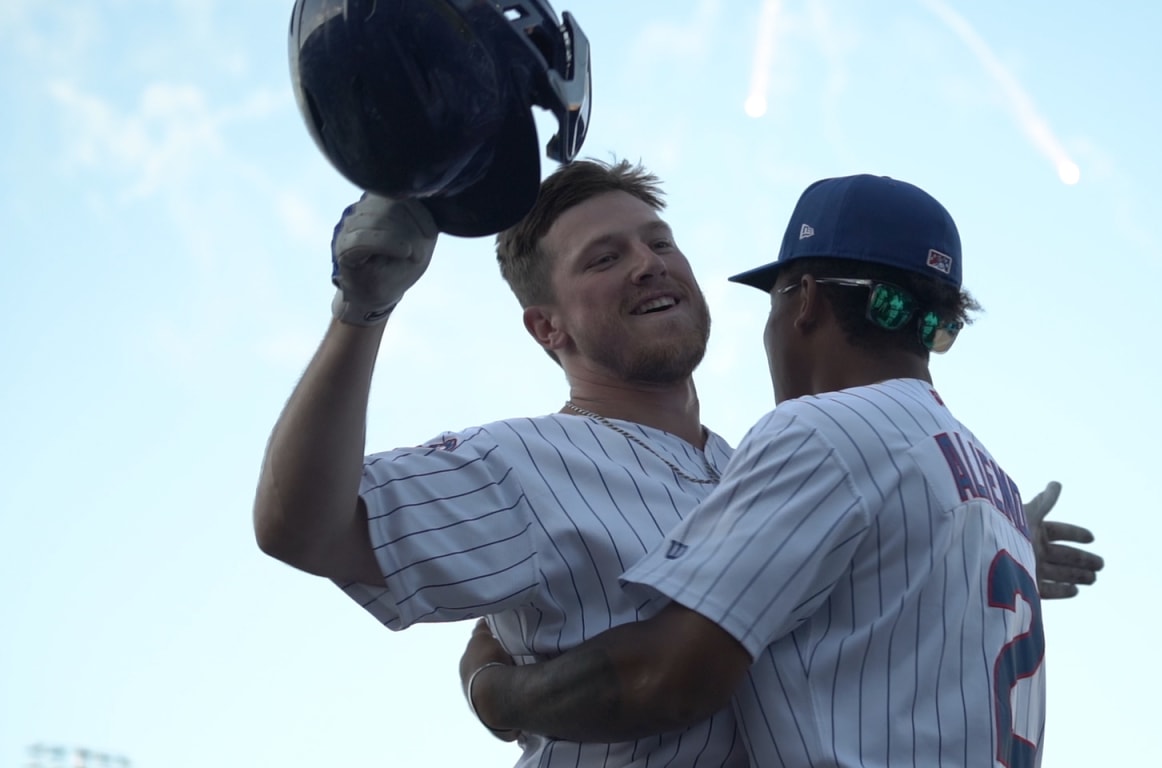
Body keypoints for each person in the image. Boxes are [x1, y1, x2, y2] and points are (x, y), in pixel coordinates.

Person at [253, 159, 1099, 768]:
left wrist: (947, 528)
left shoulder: (757, 465)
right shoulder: (521, 461)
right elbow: (302, 525)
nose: (649, 261)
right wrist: (361, 312)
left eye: (658, 240)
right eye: (604, 257)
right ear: (549, 328)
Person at [459, 173, 1064, 767]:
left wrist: (495, 692)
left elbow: (666, 678)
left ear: (803, 301)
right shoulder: (993, 487)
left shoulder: (825, 432)